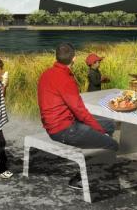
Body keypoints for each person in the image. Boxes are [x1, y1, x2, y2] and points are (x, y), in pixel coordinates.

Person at [38, 43, 118, 190]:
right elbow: (80, 111)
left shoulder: (46, 74)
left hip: (56, 125)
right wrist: (99, 131)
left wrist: (100, 129)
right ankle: (81, 180)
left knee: (110, 125)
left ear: (56, 57)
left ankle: (94, 161)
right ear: (74, 59)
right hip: (64, 129)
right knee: (112, 144)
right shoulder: (66, 79)